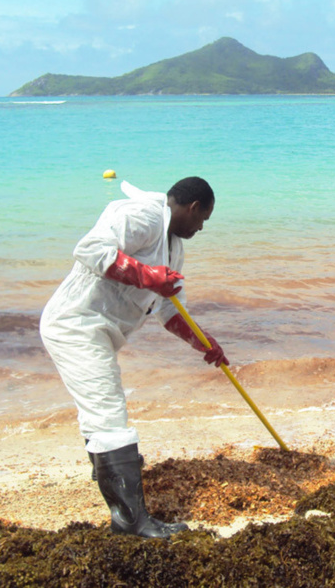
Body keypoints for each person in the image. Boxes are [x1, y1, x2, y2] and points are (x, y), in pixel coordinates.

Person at [39, 176, 228, 539]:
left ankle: (113, 487)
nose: (202, 227)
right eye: (203, 219)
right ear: (193, 208)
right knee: (109, 413)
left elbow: (172, 311)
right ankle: (130, 522)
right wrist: (146, 275)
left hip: (102, 331)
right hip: (75, 324)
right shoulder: (141, 215)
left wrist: (203, 342)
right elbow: (90, 248)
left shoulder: (174, 248)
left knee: (100, 411)